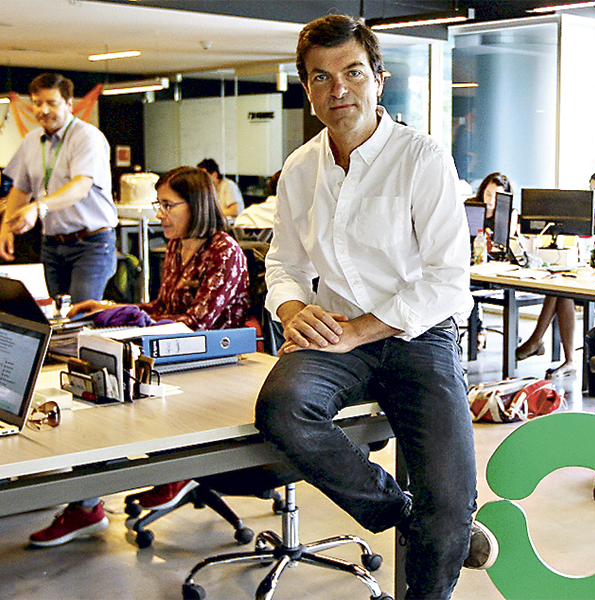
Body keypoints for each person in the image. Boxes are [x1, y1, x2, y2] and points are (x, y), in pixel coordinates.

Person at [253, 15, 491, 599]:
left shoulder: (422, 157)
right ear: (307, 90)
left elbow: (447, 282)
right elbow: (283, 264)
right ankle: (403, 512)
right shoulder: (300, 169)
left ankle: (440, 531)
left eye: (353, 72)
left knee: (452, 499)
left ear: (378, 79)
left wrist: (359, 330)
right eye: (321, 77)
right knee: (283, 407)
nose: (339, 89)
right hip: (335, 332)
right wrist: (291, 310)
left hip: (418, 334)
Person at [28, 166, 250, 547]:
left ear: (195, 205)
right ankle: (90, 502)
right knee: (98, 388)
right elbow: (163, 308)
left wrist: (139, 322)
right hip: (174, 359)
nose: (159, 214)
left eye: (167, 205)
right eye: (158, 204)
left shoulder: (224, 252)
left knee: (108, 399)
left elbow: (197, 323)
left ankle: (95, 502)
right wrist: (110, 308)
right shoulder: (178, 247)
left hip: (212, 367)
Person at [0, 72, 117, 302]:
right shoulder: (32, 141)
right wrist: (6, 228)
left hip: (91, 243)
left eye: (52, 103)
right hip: (52, 244)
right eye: (37, 103)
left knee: (80, 311)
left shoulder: (87, 137)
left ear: (69, 103)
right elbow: (21, 190)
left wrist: (38, 207)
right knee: (51, 313)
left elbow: (80, 186)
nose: (43, 110)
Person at [516, 168, 595, 379]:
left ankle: (537, 340)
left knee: (561, 292)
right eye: (590, 190)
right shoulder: (590, 214)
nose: (593, 196)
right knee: (561, 290)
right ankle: (567, 359)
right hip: (590, 277)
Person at [472, 171, 517, 244]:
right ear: (483, 191)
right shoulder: (472, 206)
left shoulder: (509, 213)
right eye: (488, 194)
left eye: (497, 197)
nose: (491, 200)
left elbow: (506, 242)